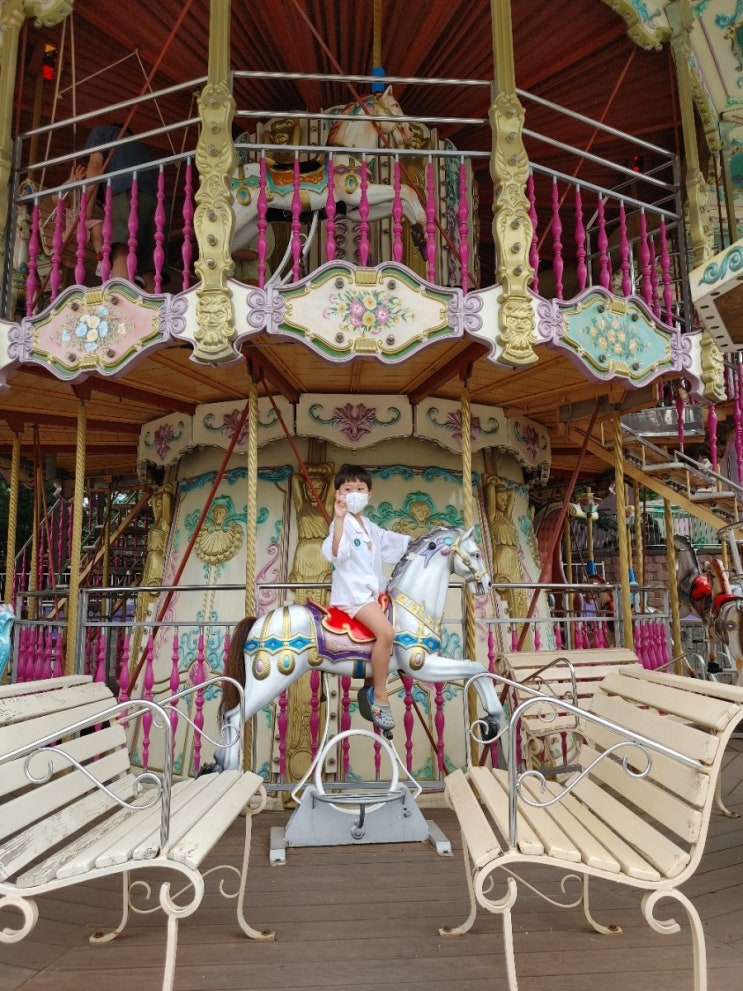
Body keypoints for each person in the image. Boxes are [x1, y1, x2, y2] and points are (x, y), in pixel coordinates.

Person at [321, 464, 410, 731]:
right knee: (386, 633)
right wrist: (338, 519)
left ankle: (369, 685)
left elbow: (394, 543)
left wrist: (428, 540)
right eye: (348, 489)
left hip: (374, 594)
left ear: (369, 494)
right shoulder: (341, 524)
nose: (354, 494)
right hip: (354, 596)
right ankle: (381, 696)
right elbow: (337, 553)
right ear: (338, 494)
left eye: (360, 489)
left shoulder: (370, 526)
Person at [80, 124, 164, 291]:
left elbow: (95, 165)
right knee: (148, 264)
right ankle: (150, 304)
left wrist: (86, 209)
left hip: (127, 189)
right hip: (157, 198)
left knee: (121, 248)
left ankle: (118, 299)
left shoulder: (101, 132)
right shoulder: (139, 150)